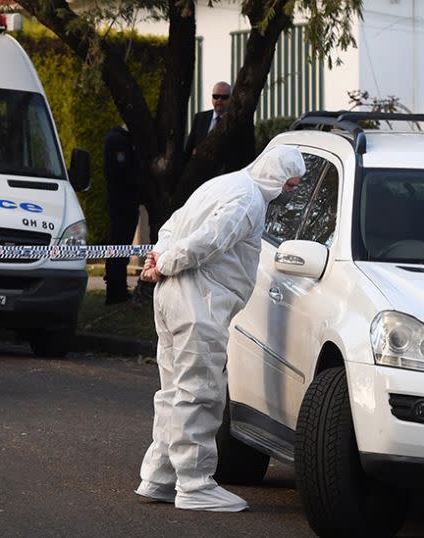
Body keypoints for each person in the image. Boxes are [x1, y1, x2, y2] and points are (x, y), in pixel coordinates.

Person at [135, 145, 305, 512]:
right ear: (277, 177)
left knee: (174, 392)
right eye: (290, 184)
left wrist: (159, 258)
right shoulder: (249, 201)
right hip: (199, 300)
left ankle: (160, 477)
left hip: (172, 297)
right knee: (200, 392)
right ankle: (195, 485)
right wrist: (165, 261)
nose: (289, 192)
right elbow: (209, 240)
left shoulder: (222, 184)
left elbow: (171, 227)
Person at [103, 124, 141, 305]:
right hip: (122, 202)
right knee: (119, 245)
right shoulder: (118, 140)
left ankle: (117, 288)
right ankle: (115, 291)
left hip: (123, 202)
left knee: (120, 247)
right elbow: (122, 172)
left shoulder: (122, 139)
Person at [184, 82, 232, 161]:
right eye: (216, 96)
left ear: (231, 99)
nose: (219, 100)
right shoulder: (200, 118)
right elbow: (189, 150)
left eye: (224, 97)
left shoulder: (236, 121)